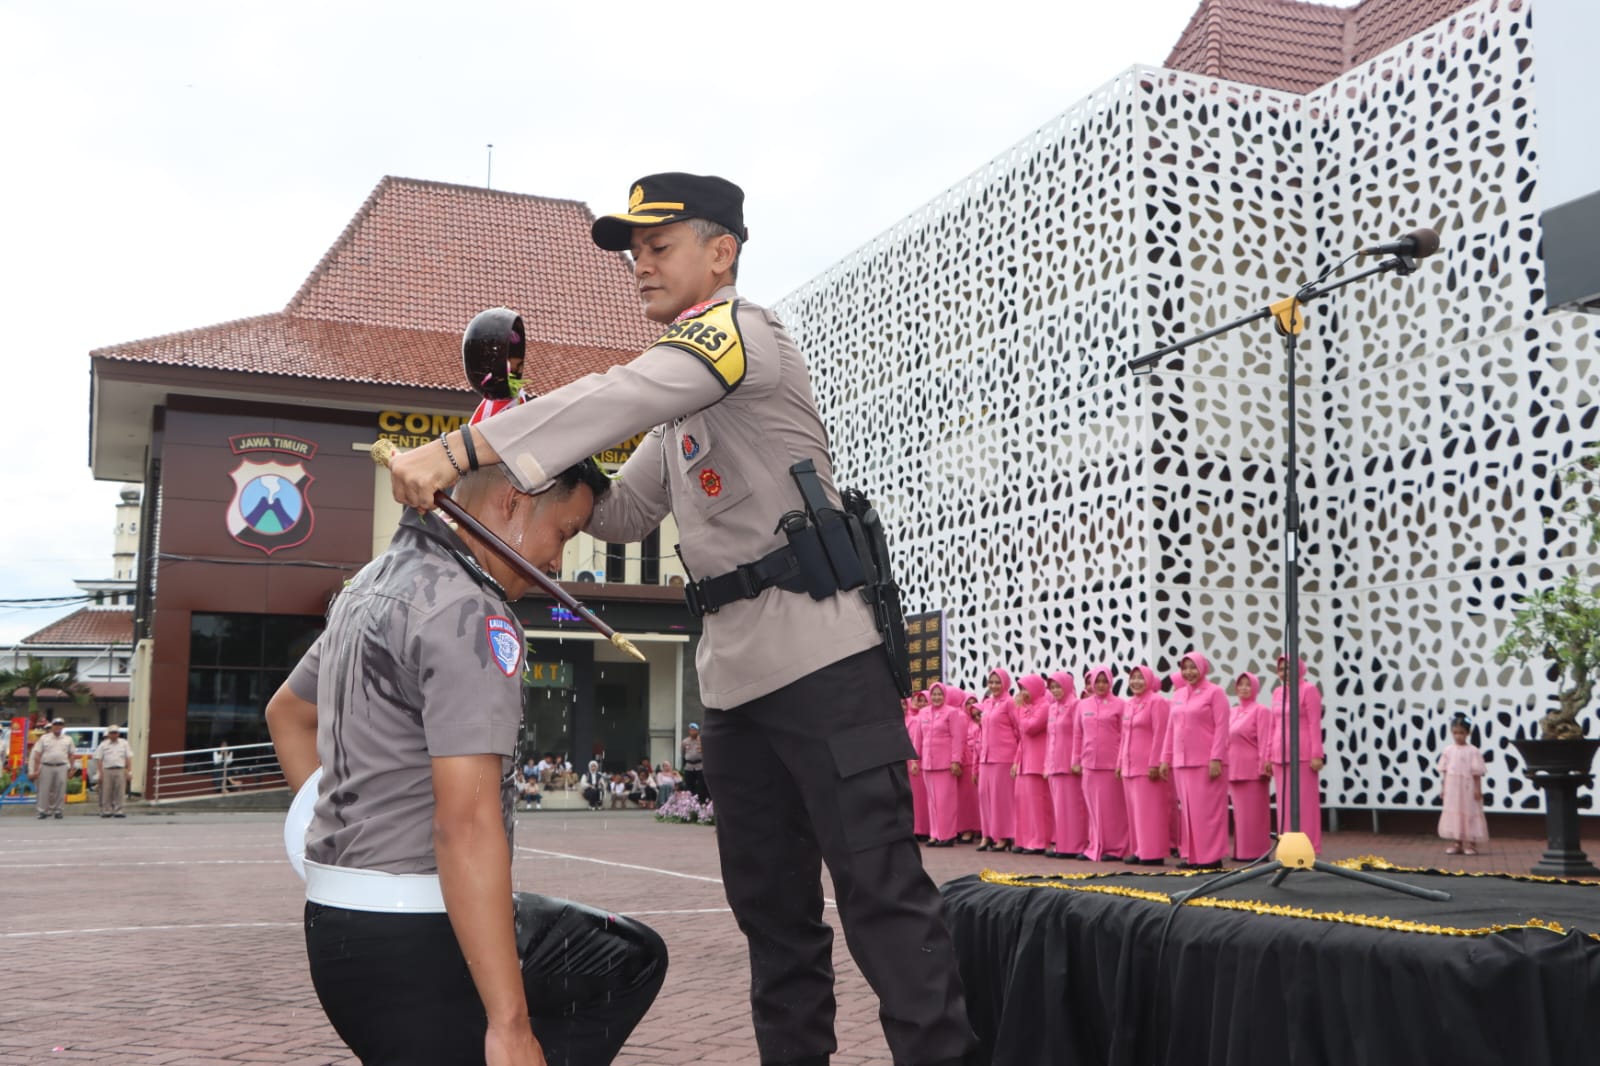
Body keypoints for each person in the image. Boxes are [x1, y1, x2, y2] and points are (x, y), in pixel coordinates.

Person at [387, 172, 973, 1066]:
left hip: (824, 665)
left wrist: (467, 447)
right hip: (737, 688)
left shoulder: (738, 335)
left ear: (721, 251)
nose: (640, 267)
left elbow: (623, 393)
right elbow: (618, 515)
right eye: (635, 254)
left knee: (883, 902)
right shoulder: (682, 410)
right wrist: (512, 415)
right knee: (775, 925)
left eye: (658, 248)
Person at [265, 457, 666, 1066]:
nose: (557, 562)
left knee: (627, 954)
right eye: (562, 532)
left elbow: (287, 715)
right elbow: (467, 827)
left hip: (335, 923)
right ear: (512, 501)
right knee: (621, 968)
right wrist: (510, 1025)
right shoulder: (471, 611)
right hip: (420, 934)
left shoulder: (368, 586)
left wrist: (352, 844)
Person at [1159, 652, 1231, 870]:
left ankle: (1211, 857)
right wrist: (1165, 758)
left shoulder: (1215, 693)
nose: (1189, 672)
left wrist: (1216, 758)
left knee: (1207, 812)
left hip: (1206, 761)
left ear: (1202, 668)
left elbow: (1221, 727)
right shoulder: (1179, 695)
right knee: (1189, 812)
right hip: (1182, 762)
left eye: (1193, 667)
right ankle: (1192, 856)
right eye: (1185, 668)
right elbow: (1170, 729)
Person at [1265, 654, 1326, 852]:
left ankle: (1308, 847)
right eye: (1281, 669)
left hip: (1303, 754)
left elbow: (1314, 724)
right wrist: (1268, 755)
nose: (1285, 673)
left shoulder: (1309, 691)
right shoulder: (1277, 692)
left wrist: (1317, 754)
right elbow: (1273, 725)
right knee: (1284, 805)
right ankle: (1288, 848)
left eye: (1289, 668)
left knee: (1304, 804)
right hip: (1279, 754)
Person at [1118, 665, 1171, 866]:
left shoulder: (1157, 701)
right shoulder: (1129, 703)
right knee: (1134, 811)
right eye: (1133, 678)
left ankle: (1153, 852)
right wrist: (1119, 762)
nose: (1136, 682)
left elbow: (1161, 732)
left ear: (1148, 680)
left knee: (1149, 811)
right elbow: (1124, 735)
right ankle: (1139, 849)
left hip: (1147, 765)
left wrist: (1155, 762)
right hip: (1129, 765)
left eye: (1141, 678)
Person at [1073, 667, 1128, 862]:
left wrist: (1122, 761)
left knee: (1113, 809)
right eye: (1098, 681)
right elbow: (1078, 734)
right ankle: (1094, 845)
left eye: (1105, 681)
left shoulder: (1120, 705)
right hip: (1089, 763)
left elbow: (1125, 736)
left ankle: (1116, 848)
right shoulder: (1083, 705)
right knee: (1093, 808)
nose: (1101, 685)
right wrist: (1076, 759)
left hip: (1111, 764)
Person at [1227, 672, 1272, 860]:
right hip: (1234, 767)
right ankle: (1242, 851)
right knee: (1241, 814)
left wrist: (1263, 766)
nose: (1243, 688)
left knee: (1254, 813)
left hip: (1252, 769)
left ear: (1255, 688)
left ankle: (1256, 852)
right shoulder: (1233, 711)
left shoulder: (1260, 710)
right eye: (1240, 685)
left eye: (1248, 685)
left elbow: (1265, 739)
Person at [1043, 672, 1087, 860]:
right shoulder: (1052, 708)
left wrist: (1077, 759)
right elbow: (1049, 737)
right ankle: (1063, 843)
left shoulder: (1076, 705)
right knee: (1059, 808)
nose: (1055, 690)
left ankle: (1076, 845)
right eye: (1052, 687)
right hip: (1054, 763)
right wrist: (1046, 764)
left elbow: (1080, 733)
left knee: (1072, 806)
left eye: (1058, 686)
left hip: (1069, 763)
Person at [976, 668, 1019, 853]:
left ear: (1005, 684)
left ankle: (1004, 836)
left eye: (997, 682)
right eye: (991, 682)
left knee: (1000, 799)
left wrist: (1017, 759)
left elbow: (1019, 731)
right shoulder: (986, 703)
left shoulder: (1009, 703)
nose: (993, 686)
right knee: (984, 795)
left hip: (1003, 757)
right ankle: (988, 835)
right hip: (986, 757)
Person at [920, 683, 967, 847]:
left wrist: (956, 760)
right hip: (927, 763)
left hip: (945, 763)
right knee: (932, 802)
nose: (936, 697)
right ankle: (934, 834)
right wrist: (916, 760)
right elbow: (920, 739)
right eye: (934, 694)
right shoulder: (923, 713)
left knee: (945, 801)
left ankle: (947, 835)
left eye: (940, 694)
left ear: (945, 695)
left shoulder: (951, 712)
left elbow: (956, 738)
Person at [1010, 674, 1052, 855]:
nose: (1023, 693)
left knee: (1037, 805)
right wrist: (1016, 761)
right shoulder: (1027, 708)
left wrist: (1020, 710)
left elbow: (1030, 728)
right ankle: (1024, 839)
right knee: (1023, 803)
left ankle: (1039, 841)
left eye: (1026, 689)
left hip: (1037, 761)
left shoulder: (1044, 706)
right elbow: (1022, 738)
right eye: (1021, 690)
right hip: (1024, 761)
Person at [1438, 714, 1489, 855]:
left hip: (1467, 786)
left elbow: (1477, 773)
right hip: (1452, 786)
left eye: (1461, 733)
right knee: (1455, 811)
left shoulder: (1473, 751)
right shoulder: (1448, 750)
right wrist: (1443, 788)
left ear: (1467, 733)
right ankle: (1457, 842)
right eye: (1455, 733)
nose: (1458, 736)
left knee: (1469, 811)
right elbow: (1445, 771)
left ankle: (1471, 844)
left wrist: (1478, 789)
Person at [29, 718, 74, 820]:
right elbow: (37, 754)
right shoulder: (44, 738)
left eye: (60, 724)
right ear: (52, 726)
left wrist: (71, 769)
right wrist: (36, 770)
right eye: (56, 724)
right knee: (44, 790)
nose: (58, 726)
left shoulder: (68, 739)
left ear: (63, 726)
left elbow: (71, 754)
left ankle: (58, 811)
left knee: (60, 789)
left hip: (62, 766)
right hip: (46, 766)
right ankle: (42, 811)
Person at [957, 695, 983, 844]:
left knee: (975, 799)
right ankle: (967, 828)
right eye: (968, 703)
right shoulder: (961, 720)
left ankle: (977, 828)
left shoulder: (979, 722)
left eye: (974, 703)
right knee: (966, 800)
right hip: (966, 763)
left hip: (977, 762)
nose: (971, 706)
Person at [92, 725, 132, 818]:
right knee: (106, 791)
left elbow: (128, 758)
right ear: (109, 734)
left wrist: (129, 771)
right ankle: (107, 810)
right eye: (112, 733)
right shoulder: (103, 744)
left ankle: (119, 810)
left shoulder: (124, 743)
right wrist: (100, 773)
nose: (114, 735)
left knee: (120, 791)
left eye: (115, 733)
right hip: (107, 770)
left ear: (118, 734)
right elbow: (99, 759)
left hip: (120, 769)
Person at [679, 723, 706, 803]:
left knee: (701, 785)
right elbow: (683, 753)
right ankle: (690, 802)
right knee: (689, 785)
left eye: (694, 730)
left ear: (697, 731)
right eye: (691, 730)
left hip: (700, 765)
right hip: (689, 766)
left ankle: (701, 801)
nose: (692, 732)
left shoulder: (701, 740)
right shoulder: (685, 741)